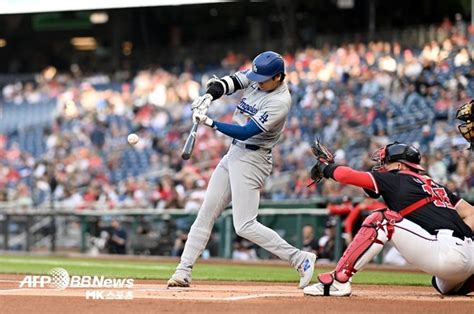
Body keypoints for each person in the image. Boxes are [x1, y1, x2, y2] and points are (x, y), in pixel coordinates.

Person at [167, 51, 316, 289]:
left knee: (244, 225)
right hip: (235, 154)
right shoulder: (261, 77)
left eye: (263, 78)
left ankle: (300, 259)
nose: (257, 81)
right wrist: (208, 96)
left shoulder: (279, 101)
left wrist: (210, 122)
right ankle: (183, 270)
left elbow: (247, 131)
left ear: (278, 77)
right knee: (206, 213)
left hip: (253, 159)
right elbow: (232, 82)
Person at [303, 141, 474, 296]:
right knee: (441, 285)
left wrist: (326, 168)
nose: (382, 166)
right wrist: (463, 239)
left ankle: (338, 281)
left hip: (448, 253)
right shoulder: (436, 186)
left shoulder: (397, 178)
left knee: (382, 219)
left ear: (399, 165)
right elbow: (471, 212)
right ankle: (463, 279)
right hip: (468, 258)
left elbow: (347, 176)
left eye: (386, 162)